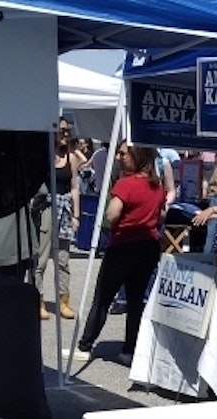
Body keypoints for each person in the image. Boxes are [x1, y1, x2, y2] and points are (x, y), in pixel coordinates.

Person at [69, 142, 165, 364]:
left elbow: (112, 215)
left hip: (123, 246)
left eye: (124, 153)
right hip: (148, 247)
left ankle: (85, 345)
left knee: (103, 297)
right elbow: (161, 215)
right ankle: (130, 349)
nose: (119, 157)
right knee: (135, 300)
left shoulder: (126, 184)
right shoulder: (156, 185)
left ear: (137, 155)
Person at [34, 119, 82, 320]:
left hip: (64, 209)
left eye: (68, 131)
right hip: (45, 209)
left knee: (63, 260)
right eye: (62, 131)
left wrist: (76, 215)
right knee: (41, 260)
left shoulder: (70, 157)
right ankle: (38, 301)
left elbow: (74, 187)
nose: (66, 135)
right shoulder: (43, 157)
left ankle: (63, 301)